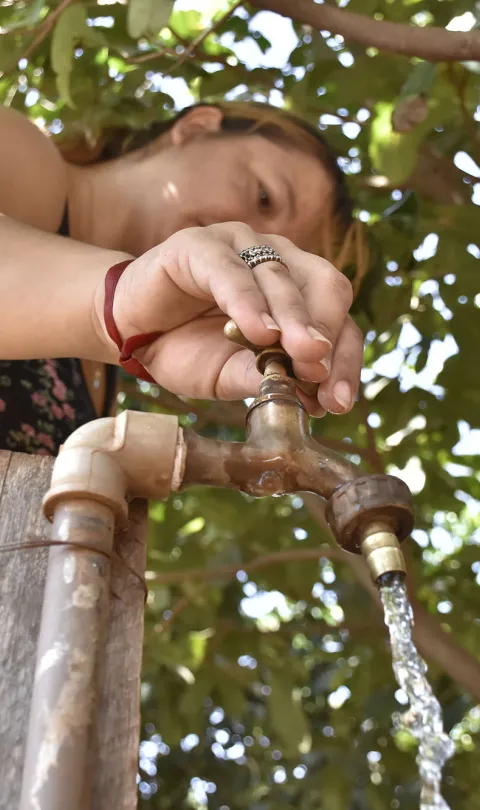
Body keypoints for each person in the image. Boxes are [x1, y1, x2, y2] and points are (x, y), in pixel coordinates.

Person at [0, 101, 364, 456]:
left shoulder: (105, 383)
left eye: (278, 256)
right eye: (264, 197)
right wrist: (110, 304)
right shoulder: (25, 155)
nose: (247, 236)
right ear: (197, 128)